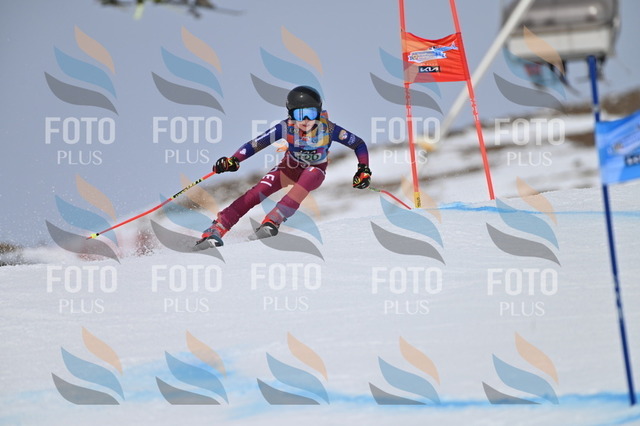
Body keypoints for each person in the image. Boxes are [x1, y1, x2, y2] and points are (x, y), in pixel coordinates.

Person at [197, 85, 371, 247]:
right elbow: (256, 144)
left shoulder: (330, 129)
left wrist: (363, 169)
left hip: (315, 171)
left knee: (310, 174)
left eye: (310, 113)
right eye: (299, 114)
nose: (305, 120)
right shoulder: (285, 127)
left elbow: (359, 144)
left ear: (318, 112)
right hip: (288, 168)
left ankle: (274, 219)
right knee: (257, 192)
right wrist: (233, 160)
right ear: (290, 114)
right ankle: (217, 228)